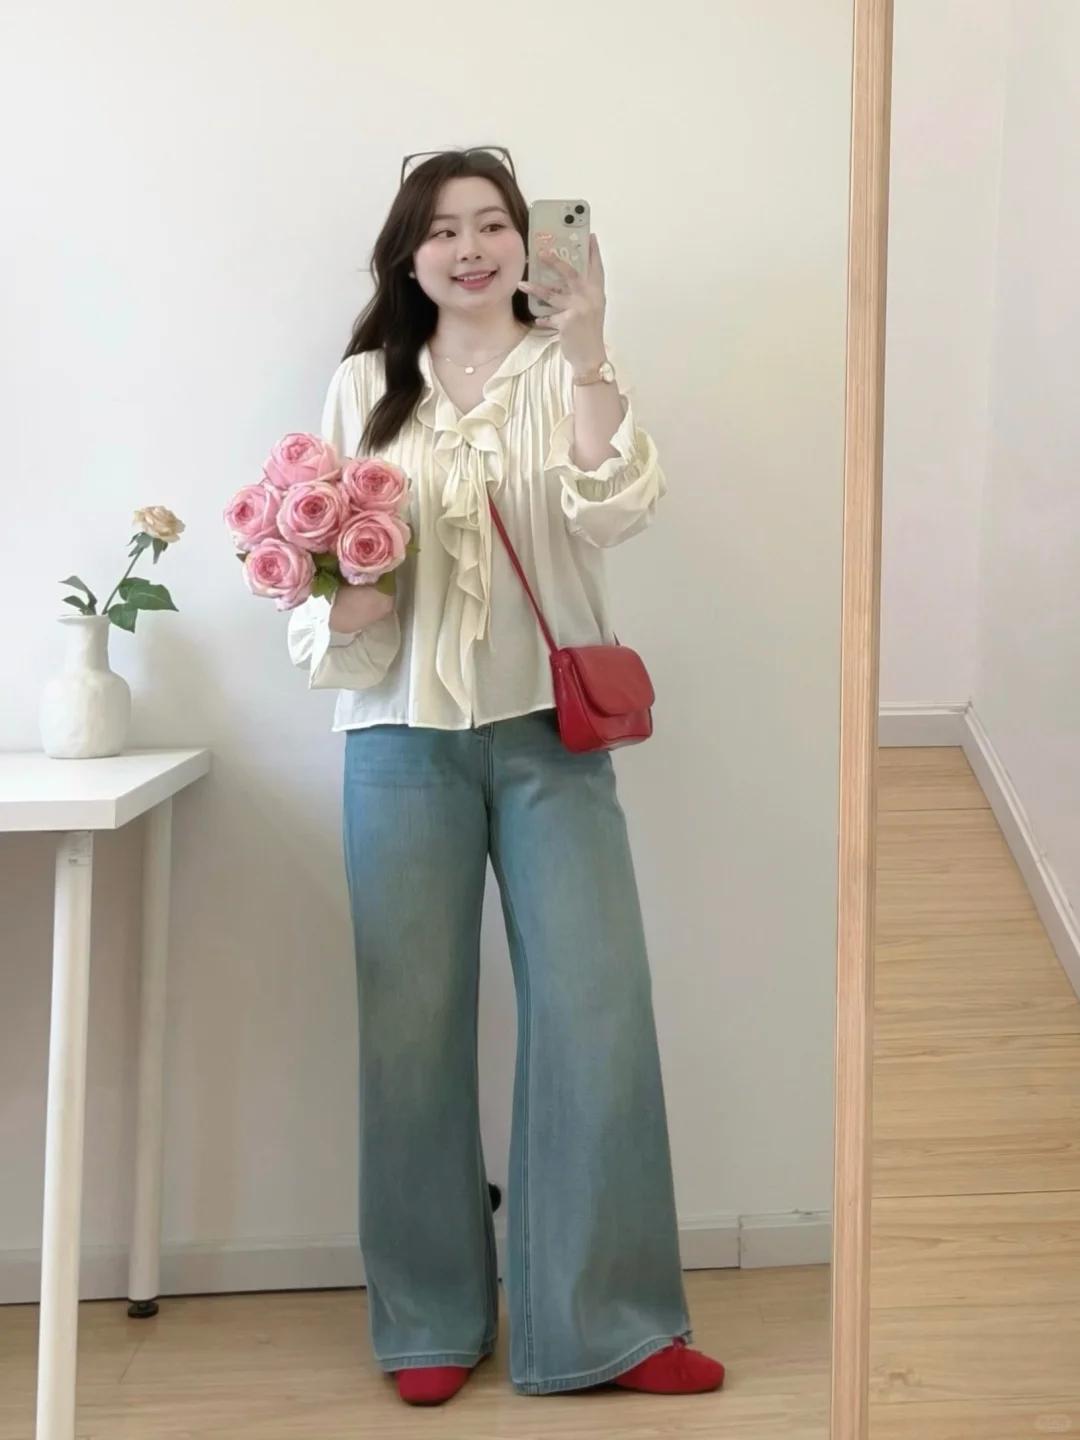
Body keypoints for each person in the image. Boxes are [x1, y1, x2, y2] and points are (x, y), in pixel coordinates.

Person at [288, 146, 725, 1407]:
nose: (469, 247)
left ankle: (611, 1322)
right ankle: (429, 1313)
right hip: (399, 737)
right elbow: (321, 570)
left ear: (529, 242)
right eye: (443, 228)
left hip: (551, 736)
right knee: (409, 1029)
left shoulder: (564, 371)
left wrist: (589, 351)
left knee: (596, 1014)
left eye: (492, 223)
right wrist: (342, 601)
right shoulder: (364, 384)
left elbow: (613, 511)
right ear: (408, 253)